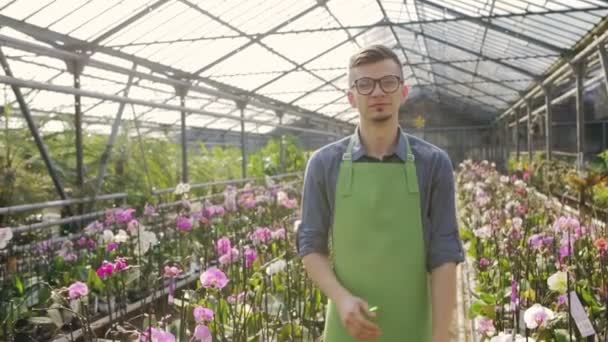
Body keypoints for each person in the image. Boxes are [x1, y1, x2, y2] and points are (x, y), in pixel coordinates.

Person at [296, 45, 465, 341]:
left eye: (388, 82)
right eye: (365, 84)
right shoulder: (324, 164)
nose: (377, 92)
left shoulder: (433, 163)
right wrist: (342, 298)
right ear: (351, 97)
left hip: (415, 329)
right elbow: (311, 245)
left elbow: (444, 254)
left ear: (403, 91)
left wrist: (440, 336)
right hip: (347, 328)